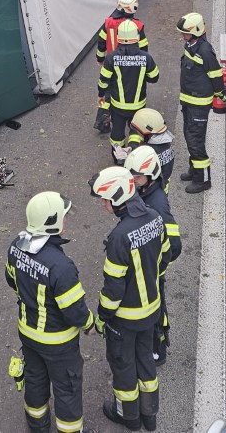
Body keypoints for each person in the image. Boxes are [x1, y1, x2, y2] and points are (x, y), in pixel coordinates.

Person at [5, 193, 94, 433]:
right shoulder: (61, 267)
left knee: (35, 380)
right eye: (63, 217)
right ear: (54, 223)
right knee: (67, 389)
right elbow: (74, 311)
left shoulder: (16, 246)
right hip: (59, 344)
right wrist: (89, 323)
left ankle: (37, 426)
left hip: (28, 333)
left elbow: (11, 280)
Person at [90, 166, 165, 432]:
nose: (102, 204)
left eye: (104, 199)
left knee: (123, 368)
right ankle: (150, 415)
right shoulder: (155, 217)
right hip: (151, 311)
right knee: (145, 360)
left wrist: (101, 317)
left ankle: (128, 416)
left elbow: (113, 291)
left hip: (124, 319)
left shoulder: (119, 238)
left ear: (118, 200)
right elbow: (165, 254)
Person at [124, 146, 181, 366]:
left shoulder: (157, 203)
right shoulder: (146, 189)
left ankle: (158, 350)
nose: (133, 179)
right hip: (146, 265)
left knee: (157, 310)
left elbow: (174, 244)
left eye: (137, 176)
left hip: (152, 270)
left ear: (150, 175)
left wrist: (156, 264)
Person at [175, 13, 226, 195]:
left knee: (196, 141)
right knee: (189, 136)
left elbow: (215, 74)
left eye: (186, 33)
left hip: (198, 103)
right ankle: (194, 170)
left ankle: (203, 180)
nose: (183, 36)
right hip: (188, 100)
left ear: (196, 32)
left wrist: (222, 94)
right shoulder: (190, 45)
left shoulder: (205, 50)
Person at [98, 20, 159, 163]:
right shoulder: (146, 58)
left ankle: (118, 159)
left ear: (118, 37)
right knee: (136, 131)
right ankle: (133, 156)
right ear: (136, 37)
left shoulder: (111, 57)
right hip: (138, 105)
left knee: (117, 134)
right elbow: (154, 78)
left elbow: (103, 80)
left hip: (118, 106)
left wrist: (101, 95)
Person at [123, 108, 176, 192]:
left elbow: (136, 172)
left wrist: (125, 159)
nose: (137, 133)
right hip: (162, 188)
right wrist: (132, 146)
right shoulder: (164, 142)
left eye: (138, 131)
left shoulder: (149, 152)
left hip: (149, 192)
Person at [95, 0, 148, 64]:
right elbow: (143, 47)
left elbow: (101, 43)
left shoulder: (108, 22)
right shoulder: (137, 25)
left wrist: (100, 59)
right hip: (132, 65)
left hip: (112, 62)